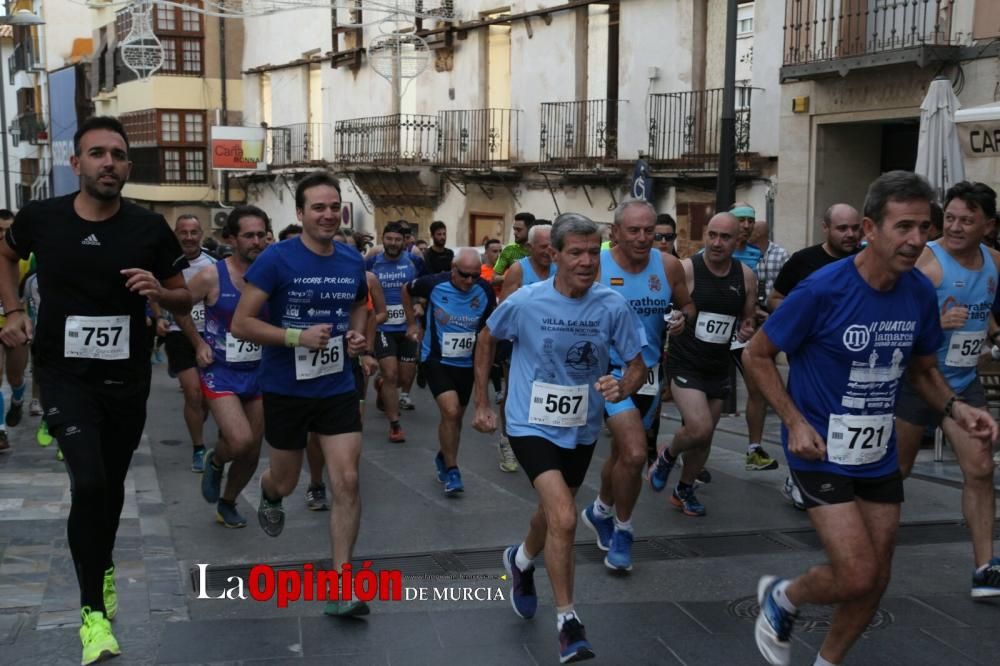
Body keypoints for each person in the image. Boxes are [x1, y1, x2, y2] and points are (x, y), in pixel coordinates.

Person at [744, 171, 997, 666]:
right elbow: (757, 354)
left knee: (877, 577)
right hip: (820, 448)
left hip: (876, 450)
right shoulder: (822, 290)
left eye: (925, 227)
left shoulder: (919, 293)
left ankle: (827, 661)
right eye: (904, 227)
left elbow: (923, 370)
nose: (917, 240)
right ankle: (784, 596)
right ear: (869, 228)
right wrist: (794, 421)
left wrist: (955, 407)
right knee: (857, 573)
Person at [0, 115, 191, 664]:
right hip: (62, 376)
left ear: (129, 166)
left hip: (125, 380)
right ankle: (92, 613)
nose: (109, 162)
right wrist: (13, 310)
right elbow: (5, 254)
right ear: (76, 163)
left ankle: (101, 564)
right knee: (87, 481)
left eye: (118, 155)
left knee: (106, 488)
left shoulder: (147, 228)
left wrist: (160, 291)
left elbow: (183, 300)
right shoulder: (42, 218)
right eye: (97, 153)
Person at [472, 213, 644, 664]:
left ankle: (520, 561)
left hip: (581, 425)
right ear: (555, 255)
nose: (587, 262)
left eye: (593, 252)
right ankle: (568, 621)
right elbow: (487, 337)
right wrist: (483, 403)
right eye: (576, 253)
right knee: (565, 517)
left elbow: (637, 362)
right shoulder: (527, 301)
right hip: (529, 421)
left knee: (552, 515)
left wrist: (623, 387)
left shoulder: (612, 306)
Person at [231, 171, 370, 617]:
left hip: (336, 386)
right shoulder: (276, 260)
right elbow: (242, 323)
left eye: (334, 207)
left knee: (346, 479)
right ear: (300, 213)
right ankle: (269, 494)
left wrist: (356, 338)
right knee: (286, 480)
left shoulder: (352, 261)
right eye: (318, 208)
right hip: (286, 388)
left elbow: (359, 306)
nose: (328, 215)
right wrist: (295, 337)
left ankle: (342, 584)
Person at [894, 181, 1000, 597]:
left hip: (963, 382)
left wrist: (989, 337)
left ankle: (985, 567)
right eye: (950, 218)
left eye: (966, 221)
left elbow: (987, 311)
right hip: (917, 380)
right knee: (895, 473)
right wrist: (937, 325)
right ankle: (862, 544)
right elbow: (895, 322)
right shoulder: (927, 263)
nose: (954, 227)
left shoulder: (994, 262)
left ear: (988, 225)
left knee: (981, 468)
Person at [582, 200, 693, 571]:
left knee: (621, 458)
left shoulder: (669, 267)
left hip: (646, 373)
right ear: (615, 232)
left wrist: (680, 319)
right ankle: (624, 531)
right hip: (607, 373)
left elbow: (688, 306)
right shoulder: (596, 265)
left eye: (650, 230)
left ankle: (600, 511)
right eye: (634, 230)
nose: (644, 238)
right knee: (632, 453)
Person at [647, 213, 757, 516]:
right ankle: (667, 455)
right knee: (699, 426)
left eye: (725, 237)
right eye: (712, 235)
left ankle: (683, 489)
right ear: (705, 236)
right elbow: (668, 310)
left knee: (704, 437)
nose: (717, 243)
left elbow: (745, 322)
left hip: (719, 366)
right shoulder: (687, 269)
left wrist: (746, 330)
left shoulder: (745, 275)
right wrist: (677, 320)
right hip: (686, 363)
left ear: (738, 241)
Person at [767, 203, 863, 509]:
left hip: (854, 355)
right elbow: (775, 299)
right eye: (842, 228)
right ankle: (803, 474)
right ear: (826, 228)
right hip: (811, 354)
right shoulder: (804, 261)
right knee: (812, 414)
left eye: (854, 228)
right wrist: (807, 321)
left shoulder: (866, 260)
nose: (850, 235)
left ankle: (842, 473)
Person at [178, 206, 269, 529]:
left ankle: (227, 503)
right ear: (231, 238)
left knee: (252, 452)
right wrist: (199, 343)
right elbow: (180, 308)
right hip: (221, 372)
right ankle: (215, 461)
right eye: (249, 235)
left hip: (259, 372)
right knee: (240, 439)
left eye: (261, 234)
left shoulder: (274, 273)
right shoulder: (211, 275)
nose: (256, 241)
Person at [403, 248, 495, 495]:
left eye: (475, 276)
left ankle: (444, 456)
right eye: (465, 275)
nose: (469, 281)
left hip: (466, 363)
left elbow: (487, 333)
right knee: (451, 411)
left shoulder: (484, 290)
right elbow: (407, 290)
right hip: (436, 359)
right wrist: (412, 322)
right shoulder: (433, 283)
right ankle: (453, 471)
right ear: (453, 269)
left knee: (455, 420)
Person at [158, 214, 216, 472]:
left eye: (194, 232)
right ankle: (198, 447)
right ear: (176, 234)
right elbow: (153, 291)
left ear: (201, 234)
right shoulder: (167, 262)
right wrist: (159, 316)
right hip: (178, 333)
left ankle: (198, 425)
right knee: (192, 392)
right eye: (184, 232)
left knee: (203, 399)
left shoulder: (213, 265)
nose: (189, 238)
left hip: (209, 333)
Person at [496, 224, 556, 473]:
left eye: (553, 245)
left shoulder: (560, 267)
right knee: (513, 392)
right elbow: (504, 313)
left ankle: (544, 441)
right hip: (520, 344)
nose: (549, 251)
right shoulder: (518, 270)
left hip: (552, 344)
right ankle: (507, 440)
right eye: (543, 247)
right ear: (530, 248)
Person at [367, 222, 422, 441]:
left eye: (397, 239)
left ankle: (382, 384)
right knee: (390, 373)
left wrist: (421, 304)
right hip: (382, 325)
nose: (393, 243)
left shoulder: (414, 261)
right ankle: (395, 424)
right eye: (389, 239)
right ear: (383, 238)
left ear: (404, 241)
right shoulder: (372, 261)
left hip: (407, 324)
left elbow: (423, 286)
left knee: (404, 376)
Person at [492, 211, 535, 287]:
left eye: (518, 230)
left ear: (530, 229)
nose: (514, 233)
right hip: (515, 295)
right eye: (514, 229)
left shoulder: (538, 249)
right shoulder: (509, 250)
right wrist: (509, 276)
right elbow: (494, 279)